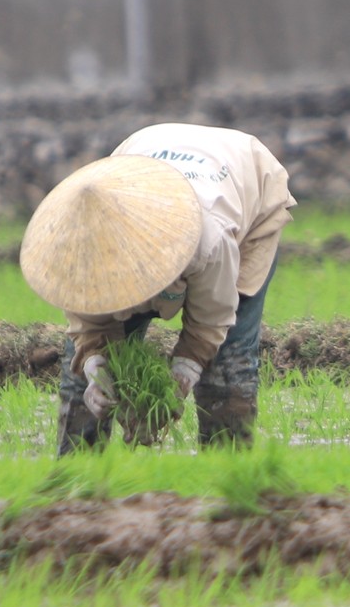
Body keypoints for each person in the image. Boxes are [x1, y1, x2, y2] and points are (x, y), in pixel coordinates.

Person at [20, 123, 294, 454]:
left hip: (247, 185)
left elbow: (211, 321)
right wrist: (96, 368)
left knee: (227, 362)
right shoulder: (82, 242)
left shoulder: (209, 239)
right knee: (82, 374)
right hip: (147, 149)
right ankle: (78, 481)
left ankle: (228, 479)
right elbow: (90, 325)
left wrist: (182, 374)